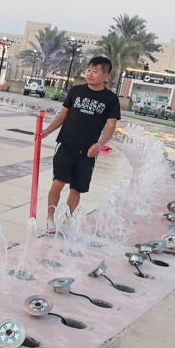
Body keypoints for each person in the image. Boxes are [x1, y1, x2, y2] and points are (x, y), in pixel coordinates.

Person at [40, 56, 121, 234]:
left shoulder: (110, 99)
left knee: (76, 188)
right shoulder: (76, 91)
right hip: (67, 145)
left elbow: (111, 125)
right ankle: (50, 218)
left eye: (95, 71)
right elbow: (63, 115)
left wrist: (99, 145)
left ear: (106, 76)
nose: (90, 74)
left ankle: (67, 221)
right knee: (58, 182)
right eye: (89, 70)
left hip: (87, 152)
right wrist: (47, 131)